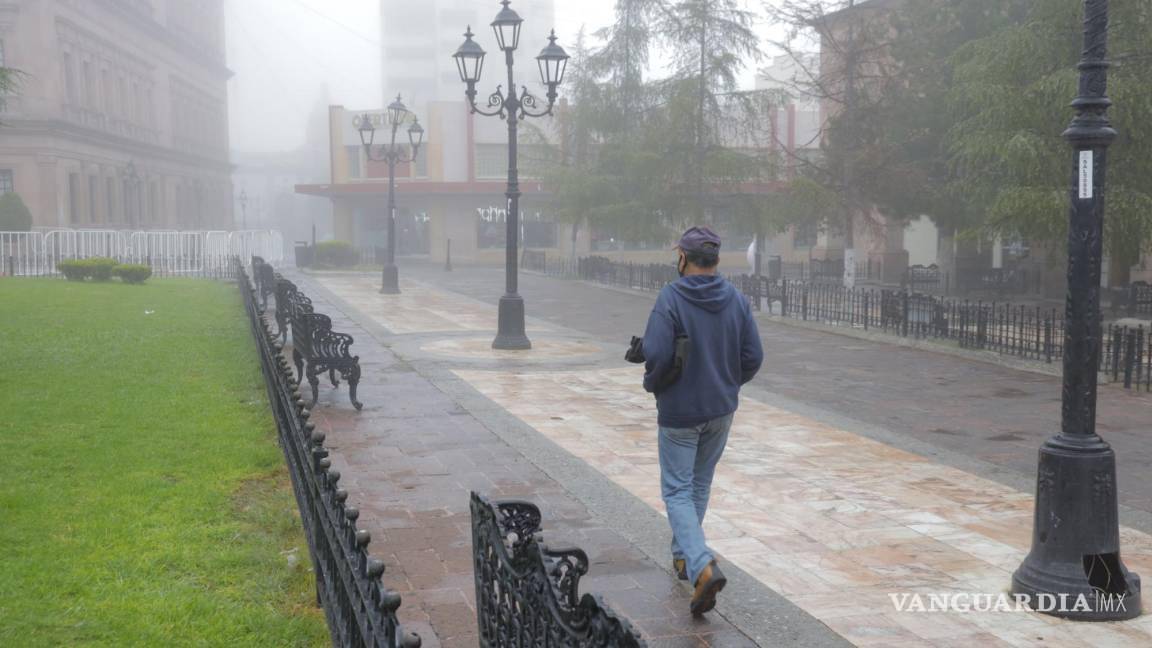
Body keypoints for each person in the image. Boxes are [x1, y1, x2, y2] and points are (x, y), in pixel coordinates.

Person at [640, 226, 764, 616]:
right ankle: (682, 558)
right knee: (698, 485)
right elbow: (753, 356)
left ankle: (701, 564)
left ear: (684, 258)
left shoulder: (671, 297)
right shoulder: (737, 300)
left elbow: (658, 354)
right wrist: (726, 383)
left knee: (677, 490)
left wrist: (653, 382)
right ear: (715, 259)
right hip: (720, 410)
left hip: (680, 411)